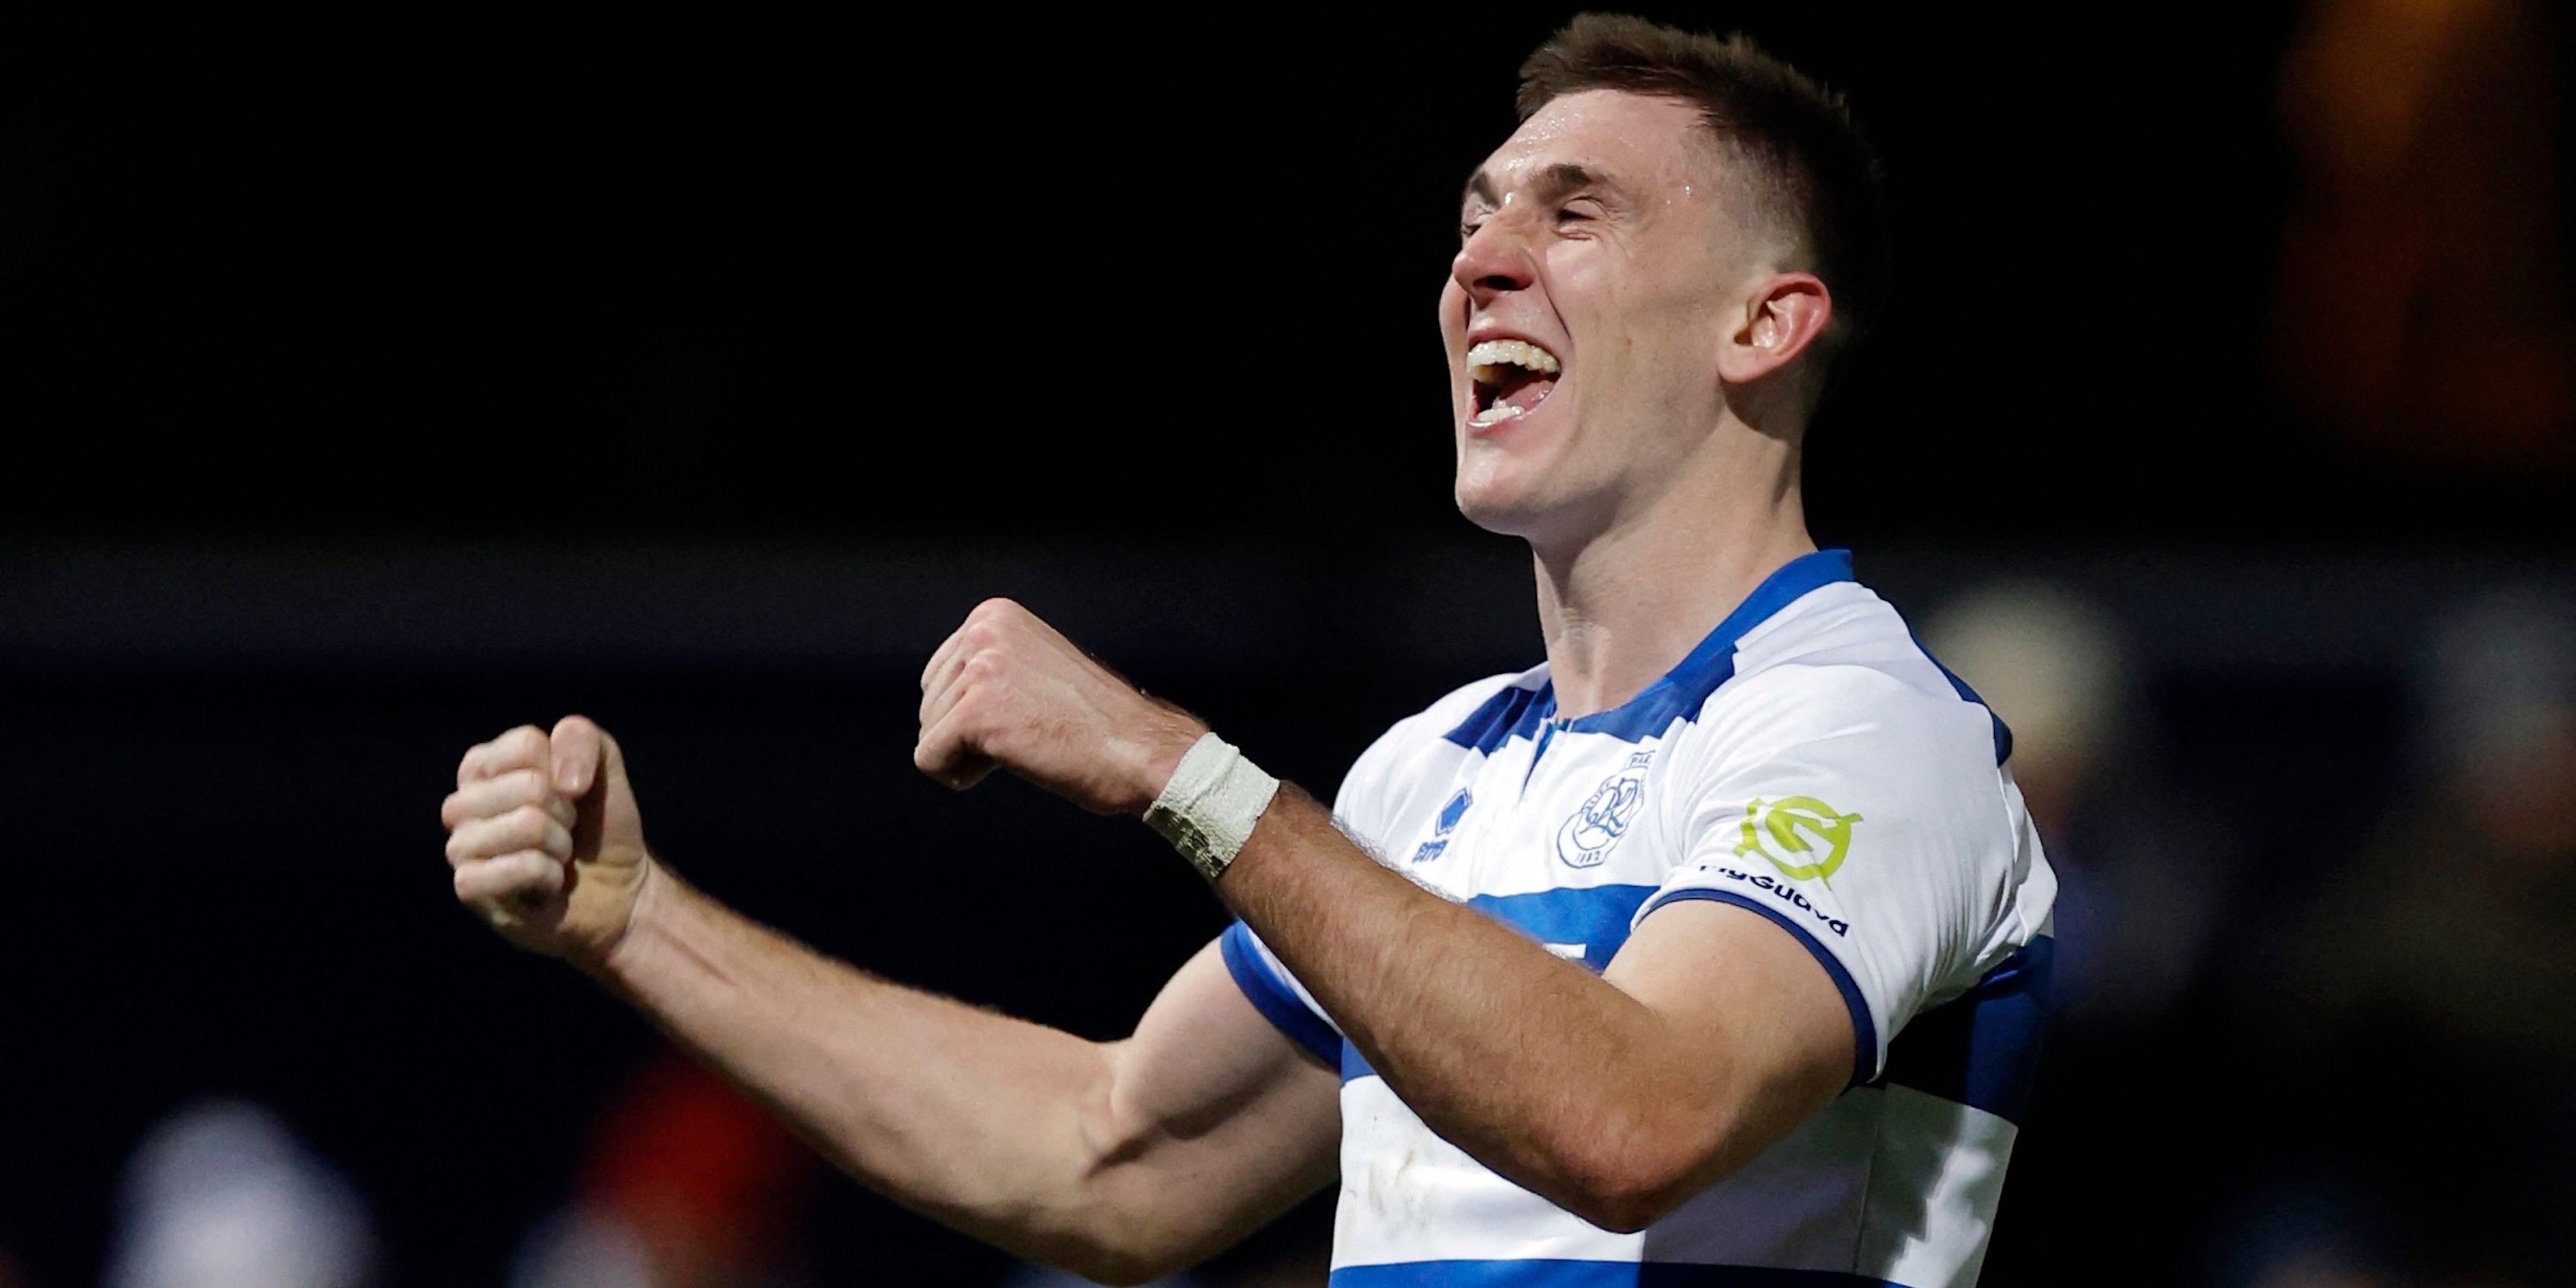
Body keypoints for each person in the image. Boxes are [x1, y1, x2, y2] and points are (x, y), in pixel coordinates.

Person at [438, 15, 2055, 1286]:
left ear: (1763, 325)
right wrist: (636, 921)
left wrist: (1173, 769)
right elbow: (1105, 1161)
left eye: (1580, 215)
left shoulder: (1864, 724)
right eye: (1477, 218)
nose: (1484, 262)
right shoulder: (1431, 777)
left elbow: (1636, 1117)